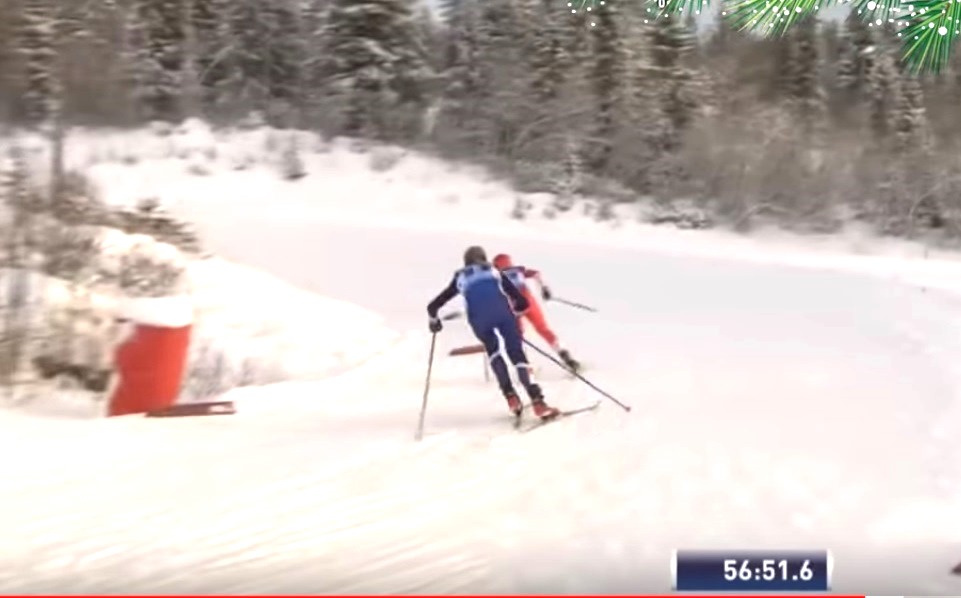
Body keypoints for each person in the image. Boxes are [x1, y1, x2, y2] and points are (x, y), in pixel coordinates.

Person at [427, 245, 561, 420]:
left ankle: (511, 397)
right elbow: (520, 300)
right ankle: (538, 402)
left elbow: (433, 306)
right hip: (503, 314)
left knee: (494, 352)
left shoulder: (460, 277)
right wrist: (518, 309)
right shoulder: (493, 270)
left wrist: (434, 322)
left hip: (478, 319)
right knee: (516, 354)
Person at [491, 253, 582, 373]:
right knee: (543, 329)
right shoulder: (519, 270)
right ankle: (565, 356)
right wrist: (544, 289)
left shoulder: (497, 277)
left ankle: (526, 368)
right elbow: (536, 274)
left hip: (514, 306)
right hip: (529, 302)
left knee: (517, 336)